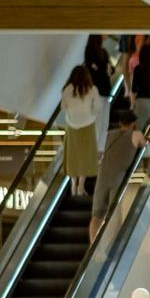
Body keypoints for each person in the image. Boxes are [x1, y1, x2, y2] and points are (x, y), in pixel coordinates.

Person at [91, 108, 150, 239]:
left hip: (102, 178)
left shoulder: (109, 133)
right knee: (114, 215)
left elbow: (99, 152)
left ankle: (93, 243)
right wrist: (148, 139)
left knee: (97, 216)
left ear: (120, 123)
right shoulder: (136, 134)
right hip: (117, 179)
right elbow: (146, 146)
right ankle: (111, 243)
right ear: (133, 123)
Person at [60, 65, 103, 199]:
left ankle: (73, 185)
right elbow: (98, 107)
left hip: (71, 125)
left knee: (73, 156)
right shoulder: (92, 89)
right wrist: (91, 114)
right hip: (88, 125)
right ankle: (80, 187)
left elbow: (63, 107)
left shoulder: (67, 90)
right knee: (86, 155)